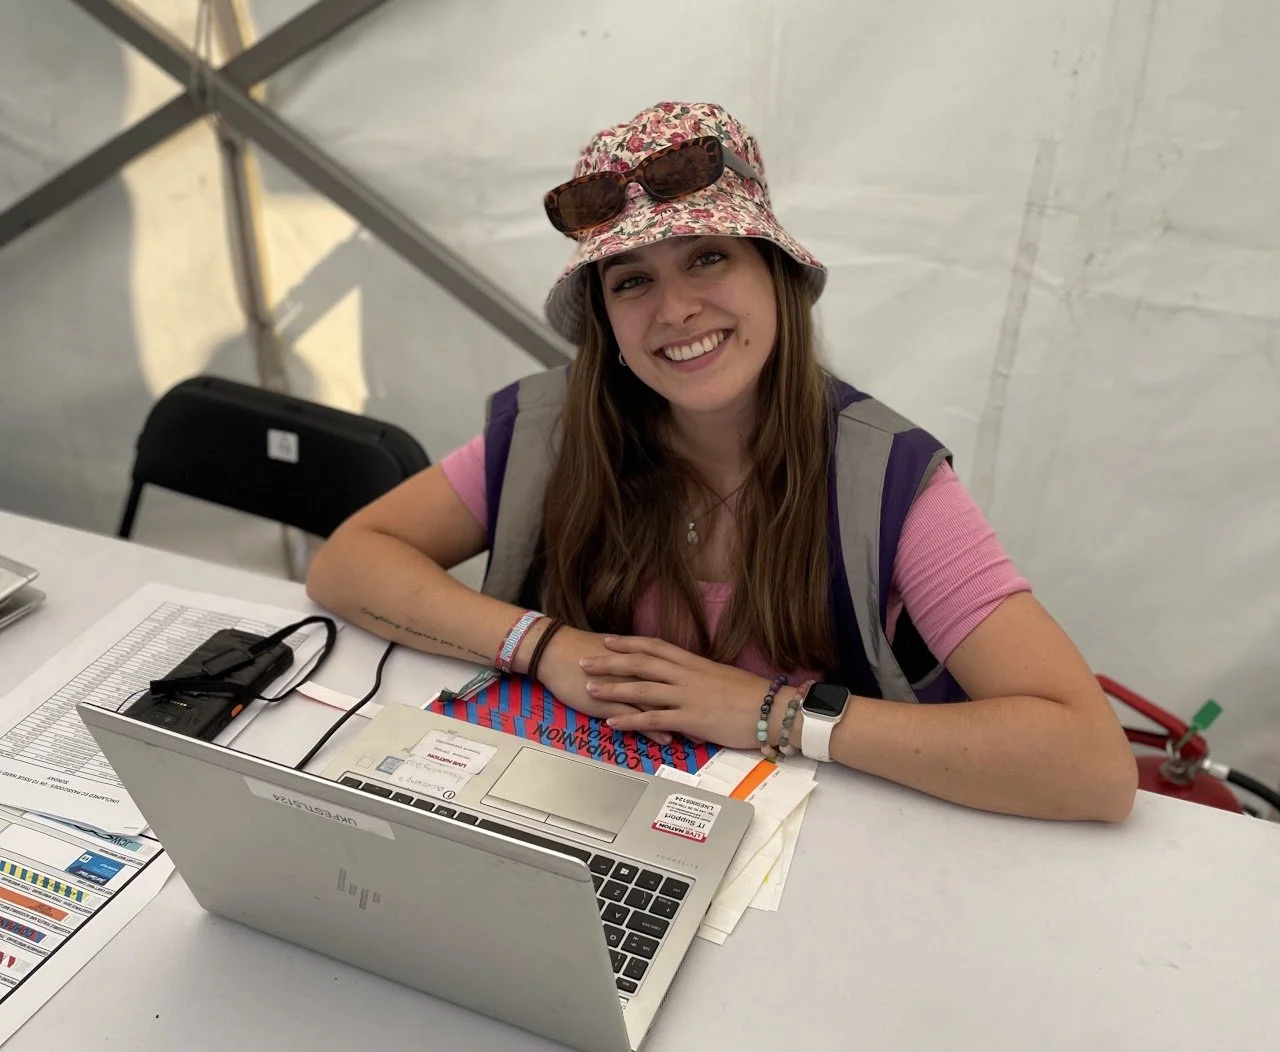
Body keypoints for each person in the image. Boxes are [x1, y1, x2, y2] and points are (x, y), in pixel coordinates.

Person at [307, 101, 1137, 823]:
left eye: (708, 257)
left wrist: (772, 714)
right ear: (604, 319)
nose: (675, 310)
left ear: (775, 276)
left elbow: (1090, 764)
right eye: (631, 281)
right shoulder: (553, 428)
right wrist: (544, 645)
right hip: (573, 819)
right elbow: (348, 564)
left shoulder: (886, 477)